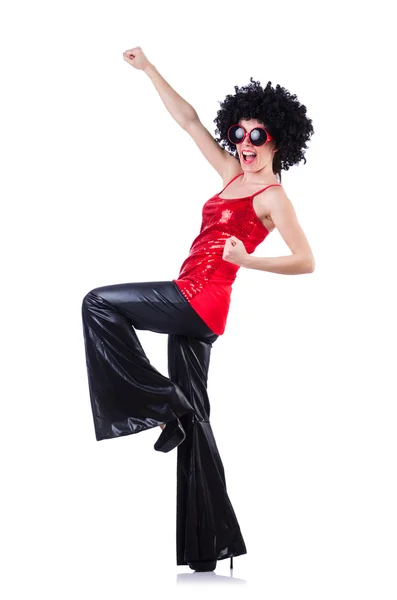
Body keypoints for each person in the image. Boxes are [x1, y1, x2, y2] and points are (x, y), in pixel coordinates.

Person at [81, 46, 315, 573]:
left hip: (200, 299)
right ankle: (209, 549)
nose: (246, 144)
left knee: (97, 303)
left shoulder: (273, 196)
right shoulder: (231, 174)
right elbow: (188, 121)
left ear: (277, 138)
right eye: (240, 133)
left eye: (258, 136)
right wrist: (148, 70)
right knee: (200, 419)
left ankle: (167, 405)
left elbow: (306, 261)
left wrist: (246, 260)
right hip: (195, 303)